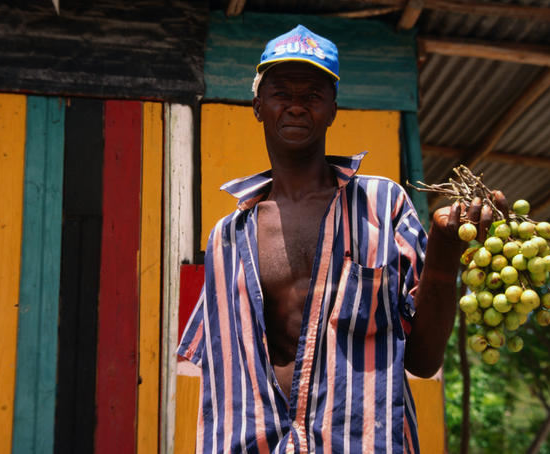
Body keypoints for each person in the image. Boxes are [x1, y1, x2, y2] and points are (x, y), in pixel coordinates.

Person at [178, 24, 506, 453]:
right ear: (258, 105)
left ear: (333, 107)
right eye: (282, 93)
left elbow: (424, 362)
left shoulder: (382, 205)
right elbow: (219, 366)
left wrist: (445, 249)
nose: (296, 106)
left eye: (312, 94)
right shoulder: (228, 237)